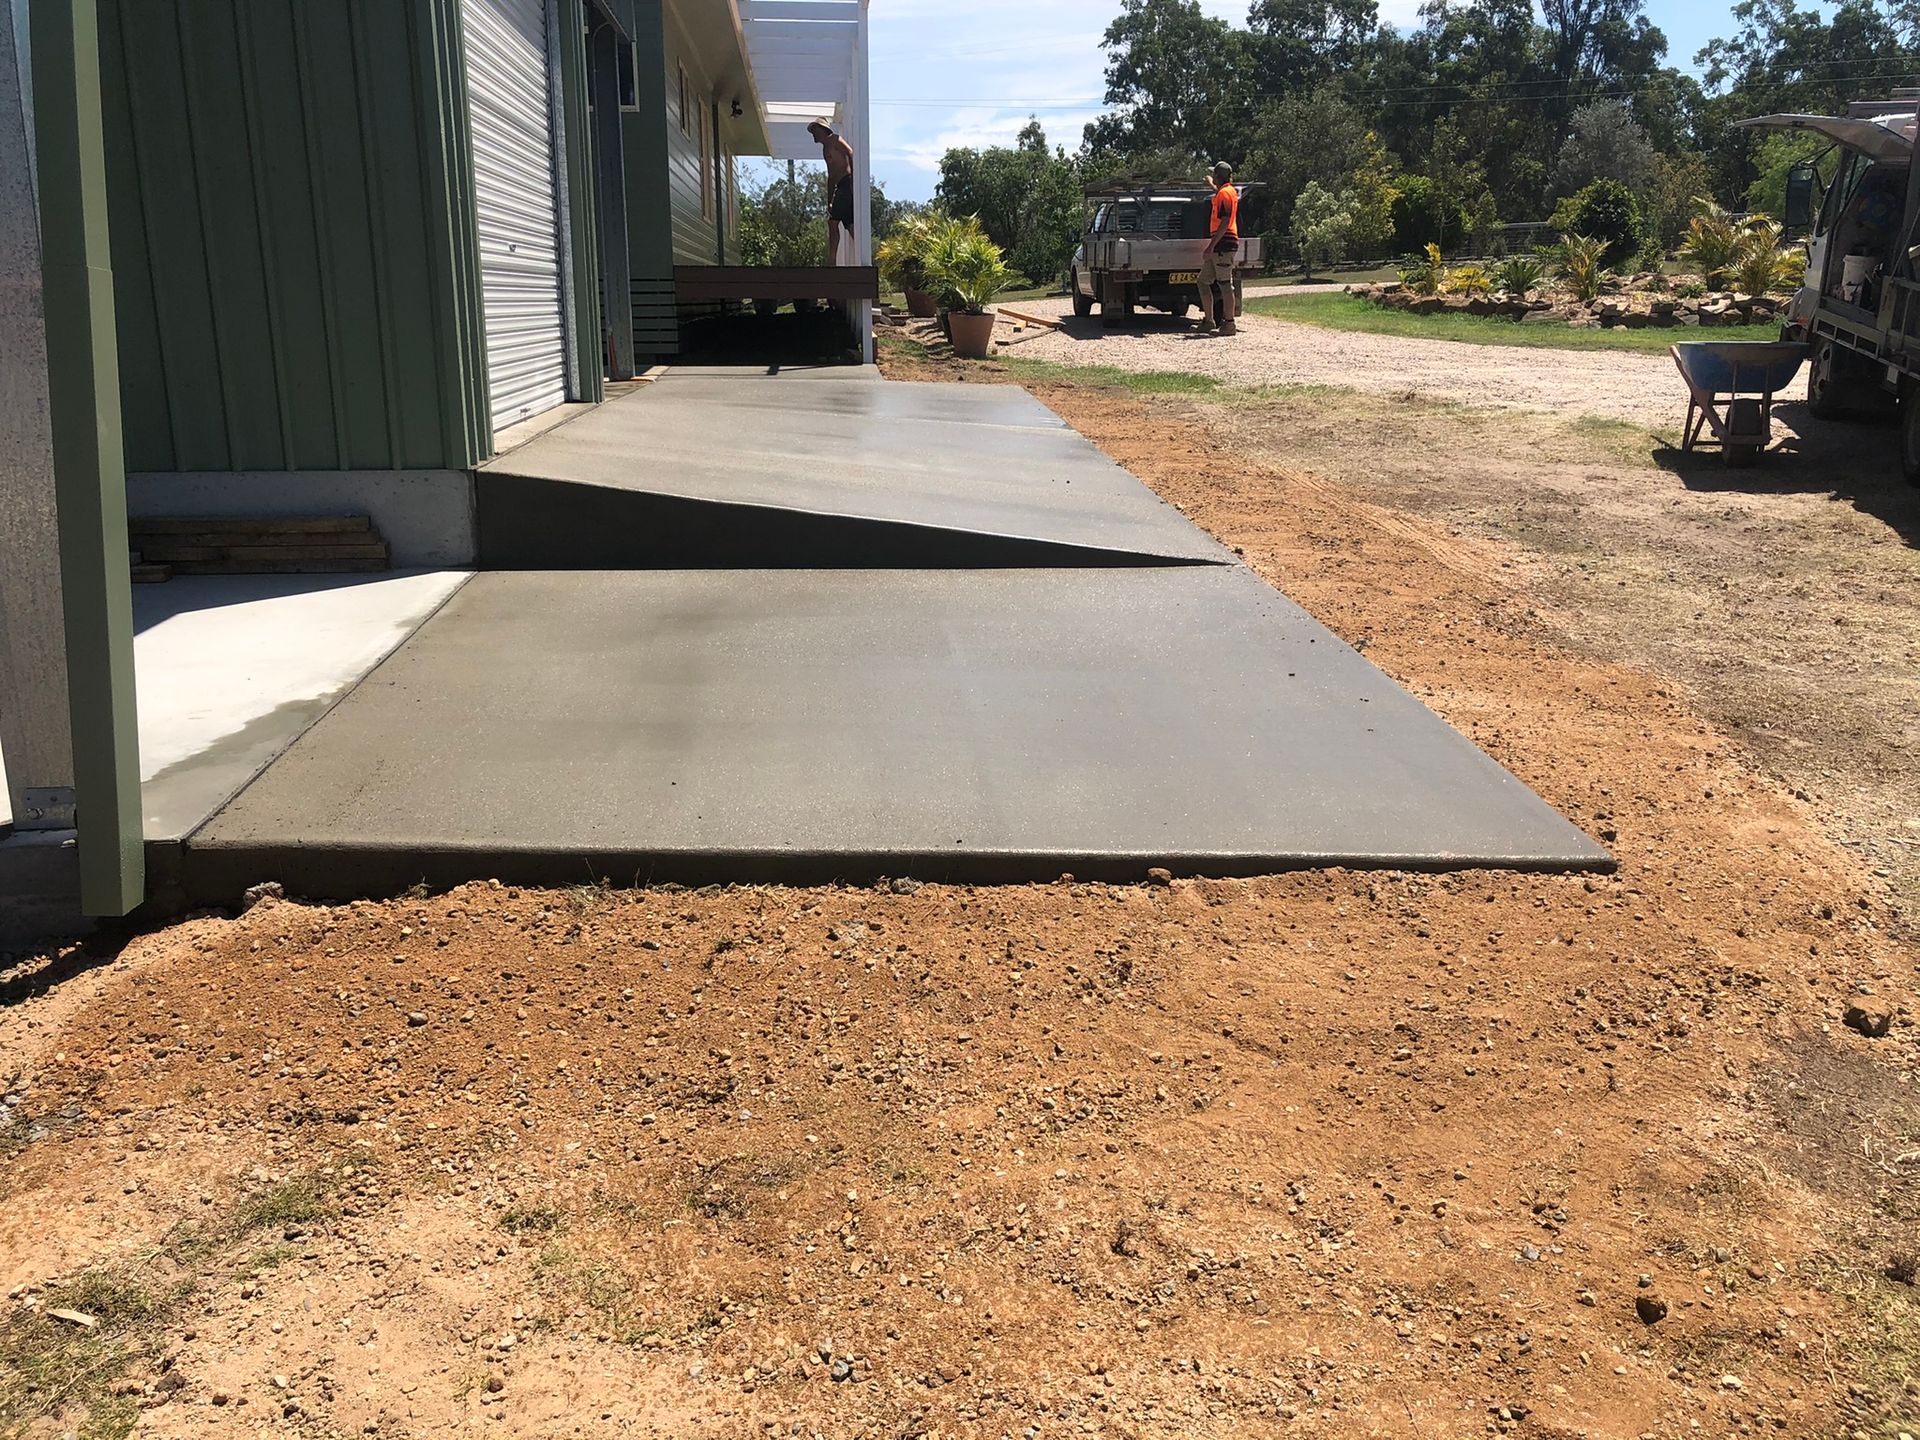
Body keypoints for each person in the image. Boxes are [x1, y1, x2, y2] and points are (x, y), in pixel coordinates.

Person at [1197, 161, 1239, 336]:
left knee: (1224, 284)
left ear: (1218, 176)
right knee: (1202, 281)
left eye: (1214, 175)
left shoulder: (1225, 194)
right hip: (1220, 245)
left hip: (1223, 244)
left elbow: (1224, 222)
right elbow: (1221, 196)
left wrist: (1211, 246)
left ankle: (1229, 324)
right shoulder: (1227, 191)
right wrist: (1212, 186)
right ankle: (1209, 321)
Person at [808, 118, 856, 264]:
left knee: (833, 222)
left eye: (815, 131)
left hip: (846, 183)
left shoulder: (834, 140)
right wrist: (829, 200)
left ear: (822, 129)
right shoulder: (825, 149)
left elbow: (850, 152)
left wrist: (854, 177)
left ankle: (832, 260)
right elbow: (831, 175)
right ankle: (866, 256)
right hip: (840, 186)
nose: (813, 135)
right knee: (849, 224)